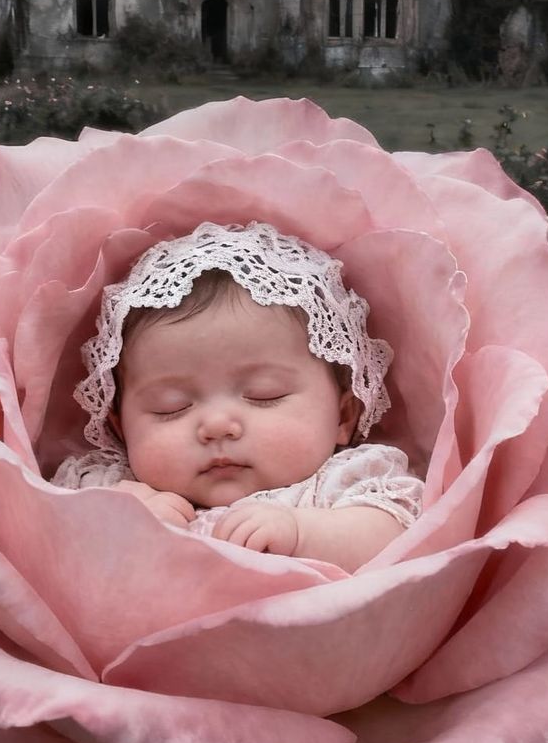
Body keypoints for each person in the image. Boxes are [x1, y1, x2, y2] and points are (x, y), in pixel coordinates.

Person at [52, 222, 422, 571]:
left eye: (264, 396)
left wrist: (304, 534)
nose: (216, 426)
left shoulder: (342, 483)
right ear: (121, 428)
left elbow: (402, 540)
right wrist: (115, 520)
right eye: (172, 407)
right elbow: (43, 543)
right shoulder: (111, 484)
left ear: (343, 416)